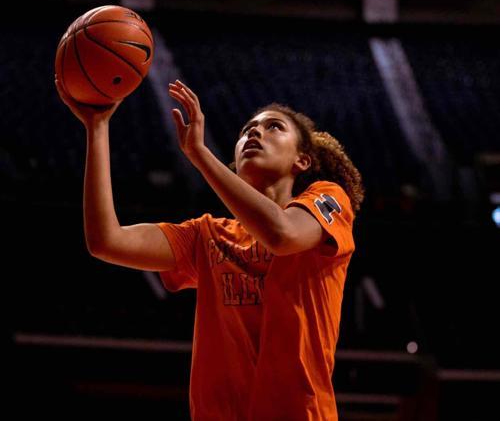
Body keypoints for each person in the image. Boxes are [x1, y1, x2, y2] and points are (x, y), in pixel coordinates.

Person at [55, 76, 364, 421]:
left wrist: (200, 155)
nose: (254, 132)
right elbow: (106, 241)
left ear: (302, 161)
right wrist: (97, 128)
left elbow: (281, 234)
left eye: (274, 127)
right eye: (246, 130)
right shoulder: (207, 235)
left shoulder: (328, 199)